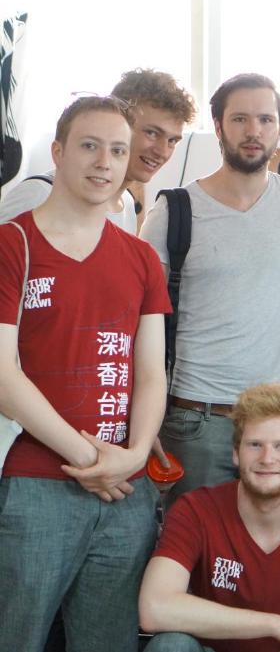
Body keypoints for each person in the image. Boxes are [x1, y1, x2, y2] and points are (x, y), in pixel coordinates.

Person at [0, 96, 171, 650]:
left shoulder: (140, 257)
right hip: (36, 483)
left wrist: (137, 451)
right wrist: (89, 457)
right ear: (57, 151)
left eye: (118, 150)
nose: (104, 162)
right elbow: (3, 375)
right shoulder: (12, 244)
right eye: (90, 146)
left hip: (125, 490)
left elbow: (150, 373)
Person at [139, 73, 280, 506]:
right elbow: (144, 317)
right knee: (193, 553)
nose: (253, 130)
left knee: (271, 555)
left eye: (265, 119)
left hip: (277, 419)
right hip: (195, 417)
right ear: (218, 124)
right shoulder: (174, 211)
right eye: (240, 118)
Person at [138, 383, 280, 652]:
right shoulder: (196, 509)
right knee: (171, 646)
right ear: (236, 453)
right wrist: (275, 625)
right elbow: (154, 608)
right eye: (255, 445)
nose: (267, 458)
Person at [0, 68, 196, 232]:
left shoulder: (127, 204)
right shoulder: (39, 194)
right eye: (152, 133)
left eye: (172, 140)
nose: (162, 151)